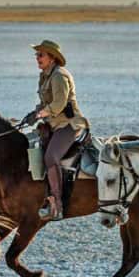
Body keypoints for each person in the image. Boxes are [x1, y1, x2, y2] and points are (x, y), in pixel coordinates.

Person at [24, 40, 90, 220]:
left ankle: (58, 204)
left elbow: (59, 104)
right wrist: (34, 112)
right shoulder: (45, 75)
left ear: (52, 57)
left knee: (50, 157)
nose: (37, 58)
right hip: (53, 124)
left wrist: (40, 114)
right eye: (36, 55)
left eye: (41, 55)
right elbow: (46, 102)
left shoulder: (59, 75)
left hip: (69, 125)